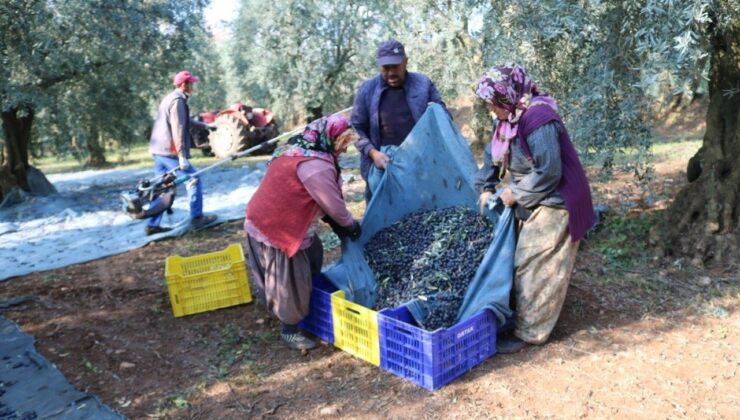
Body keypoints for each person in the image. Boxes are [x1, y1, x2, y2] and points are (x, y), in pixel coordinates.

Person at [474, 65, 595, 353]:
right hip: (534, 194)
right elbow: (490, 163)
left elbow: (549, 171)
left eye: (492, 101)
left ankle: (530, 332)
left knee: (533, 261)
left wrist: (514, 193)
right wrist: (486, 188)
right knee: (514, 257)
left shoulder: (537, 117)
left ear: (507, 95)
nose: (490, 108)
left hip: (559, 197)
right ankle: (522, 312)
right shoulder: (504, 120)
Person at [244, 115, 361, 350]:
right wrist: (350, 226)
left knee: (314, 253)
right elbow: (334, 205)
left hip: (262, 216)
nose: (345, 147)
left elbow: (316, 199)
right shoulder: (315, 166)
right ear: (330, 138)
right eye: (343, 141)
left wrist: (338, 224)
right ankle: (290, 329)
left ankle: (308, 298)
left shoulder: (298, 149)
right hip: (279, 228)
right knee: (291, 279)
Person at [351, 39, 449, 200]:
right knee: (384, 215)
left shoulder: (423, 84)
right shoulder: (367, 89)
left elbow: (444, 116)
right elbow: (355, 128)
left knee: (421, 213)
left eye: (395, 66)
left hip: (420, 163)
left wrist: (437, 111)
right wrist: (373, 153)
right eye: (385, 67)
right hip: (382, 164)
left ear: (405, 62)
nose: (390, 73)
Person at [147, 70, 216, 235]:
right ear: (184, 85)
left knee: (162, 187)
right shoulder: (178, 100)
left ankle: (152, 225)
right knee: (193, 178)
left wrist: (205, 126)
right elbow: (178, 128)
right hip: (169, 151)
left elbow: (184, 121)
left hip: (158, 150)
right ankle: (197, 217)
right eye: (191, 83)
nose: (193, 86)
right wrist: (182, 156)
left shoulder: (170, 98)